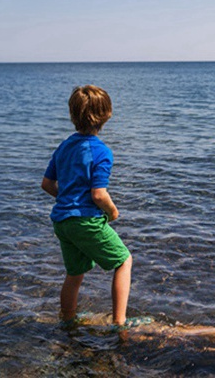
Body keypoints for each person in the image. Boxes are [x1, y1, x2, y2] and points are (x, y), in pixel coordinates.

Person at [41, 85, 145, 329]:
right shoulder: (101, 152)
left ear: (72, 114)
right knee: (123, 261)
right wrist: (112, 211)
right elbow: (98, 195)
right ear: (106, 115)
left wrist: (66, 200)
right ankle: (120, 323)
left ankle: (67, 320)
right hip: (86, 221)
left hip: (62, 222)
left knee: (74, 273)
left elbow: (46, 184)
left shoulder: (64, 146)